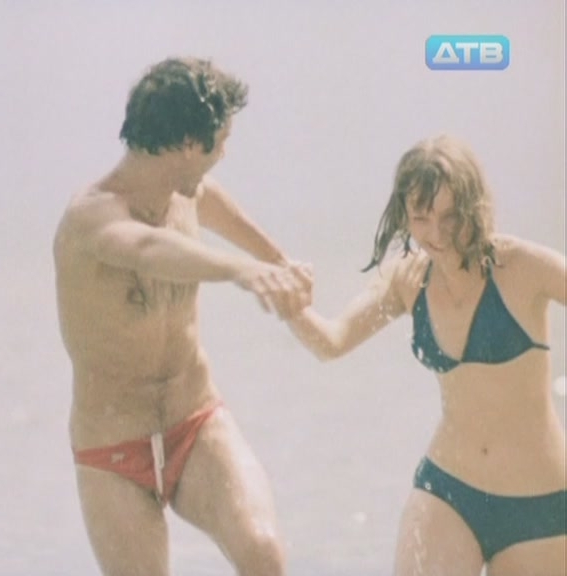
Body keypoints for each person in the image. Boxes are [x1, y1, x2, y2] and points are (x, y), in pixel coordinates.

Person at [53, 57, 311, 576]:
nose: (223, 154)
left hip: (194, 423)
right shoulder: (91, 217)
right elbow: (147, 249)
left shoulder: (187, 193)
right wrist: (240, 270)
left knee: (264, 554)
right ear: (191, 144)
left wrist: (278, 262)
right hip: (113, 449)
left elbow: (214, 203)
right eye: (221, 141)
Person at [285, 135, 566, 576]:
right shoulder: (408, 280)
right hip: (448, 492)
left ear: (474, 206)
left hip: (538, 505)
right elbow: (332, 341)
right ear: (405, 215)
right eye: (421, 218)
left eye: (451, 217)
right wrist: (293, 308)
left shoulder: (522, 267)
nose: (437, 235)